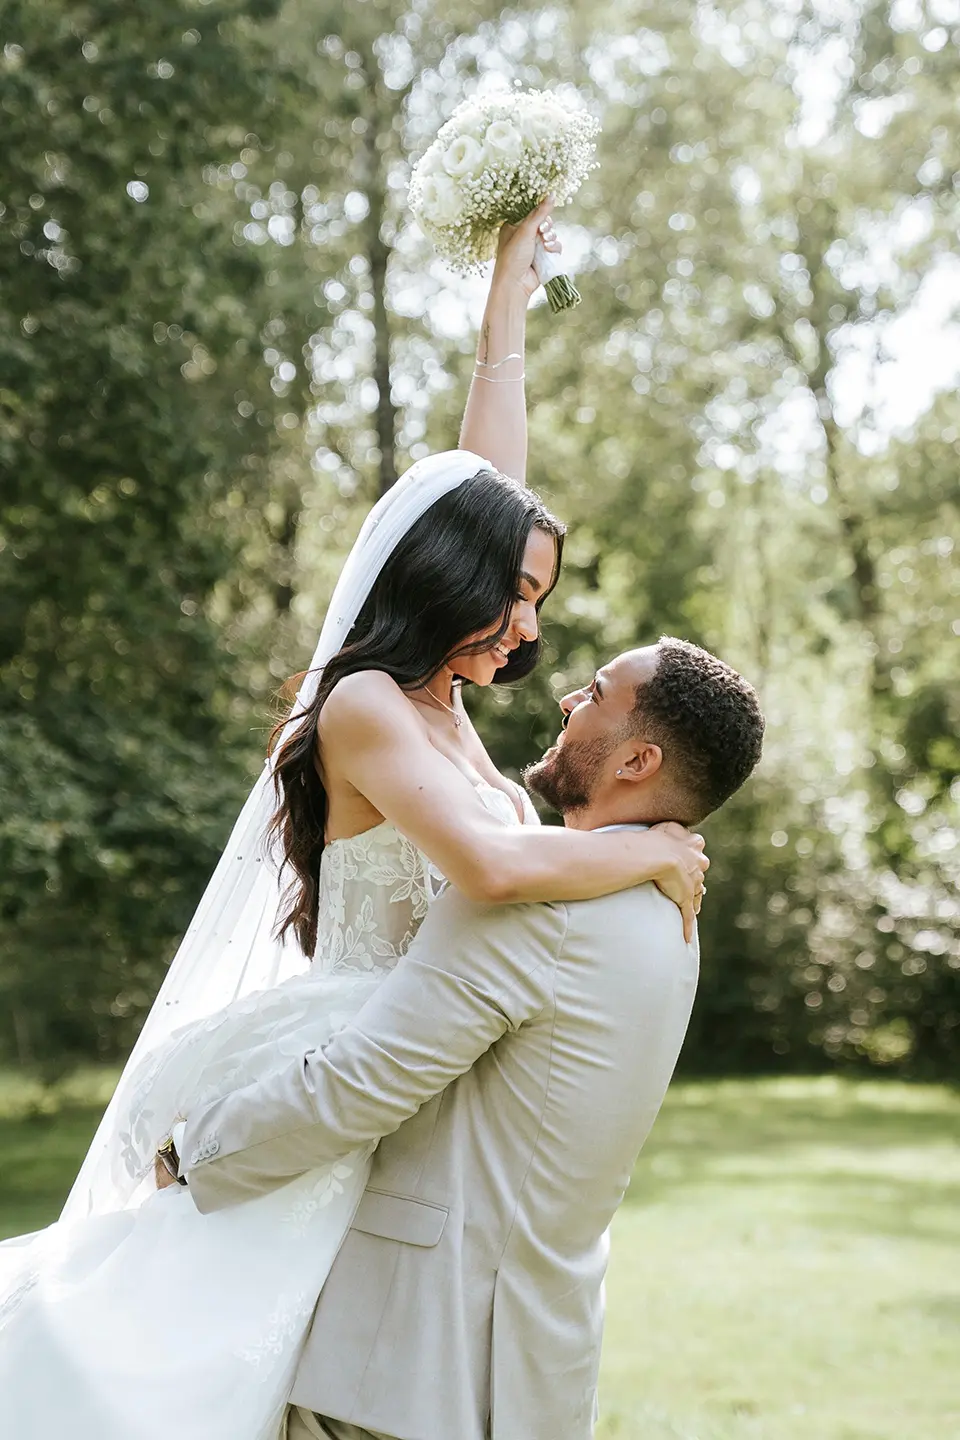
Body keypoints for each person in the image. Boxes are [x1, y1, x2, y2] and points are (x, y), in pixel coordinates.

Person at [0, 203, 706, 1439]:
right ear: (451, 575)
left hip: (412, 1085)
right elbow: (486, 864)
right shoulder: (370, 705)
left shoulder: (447, 707)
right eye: (516, 594)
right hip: (340, 1070)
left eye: (539, 600)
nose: (530, 630)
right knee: (198, 1375)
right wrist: (643, 846)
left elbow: (489, 481)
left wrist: (507, 294)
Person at [181, 635, 766, 1440]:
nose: (567, 699)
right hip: (538, 1370)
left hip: (404, 1364)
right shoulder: (672, 914)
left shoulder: (536, 905)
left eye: (597, 693)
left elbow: (356, 1087)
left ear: (637, 761)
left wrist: (195, 1151)